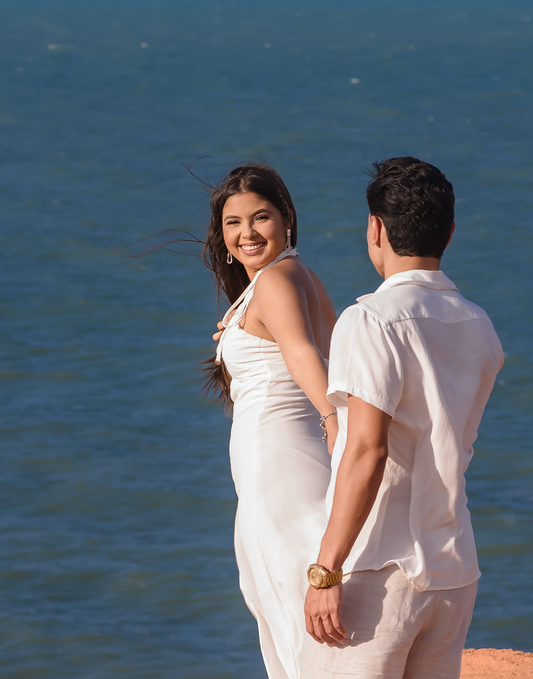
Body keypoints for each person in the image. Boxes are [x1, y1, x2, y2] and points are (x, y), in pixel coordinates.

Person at [301, 157, 504, 679]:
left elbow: (369, 449)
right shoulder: (479, 325)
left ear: (376, 227)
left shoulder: (370, 319)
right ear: (450, 232)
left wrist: (326, 570)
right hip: (453, 567)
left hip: (378, 568)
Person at [205, 164, 338, 679]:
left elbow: (305, 355)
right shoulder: (294, 276)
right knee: (291, 589)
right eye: (233, 223)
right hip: (290, 456)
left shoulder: (276, 282)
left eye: (261, 217)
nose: (247, 234)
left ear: (286, 219)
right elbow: (320, 352)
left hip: (275, 465)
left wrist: (332, 420)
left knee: (285, 597)